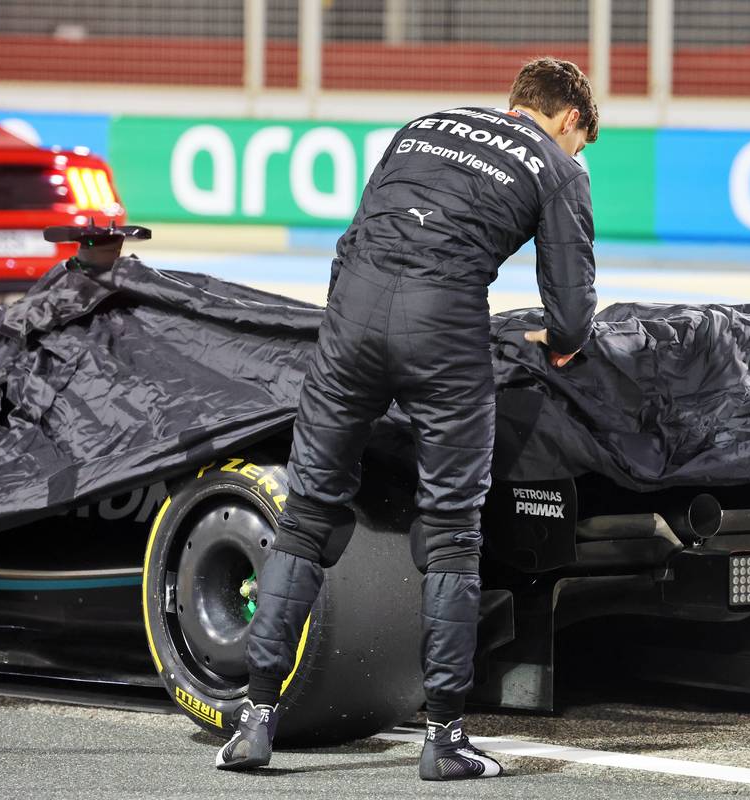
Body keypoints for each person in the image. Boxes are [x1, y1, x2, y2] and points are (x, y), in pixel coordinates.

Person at [214, 57, 599, 778]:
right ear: (568, 118)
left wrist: (349, 339)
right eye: (579, 141)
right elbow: (571, 311)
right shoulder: (557, 165)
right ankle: (444, 738)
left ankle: (255, 721)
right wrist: (563, 343)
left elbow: (351, 245)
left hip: (352, 316)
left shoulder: (422, 126)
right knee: (452, 529)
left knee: (305, 518)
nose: (575, 153)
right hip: (442, 329)